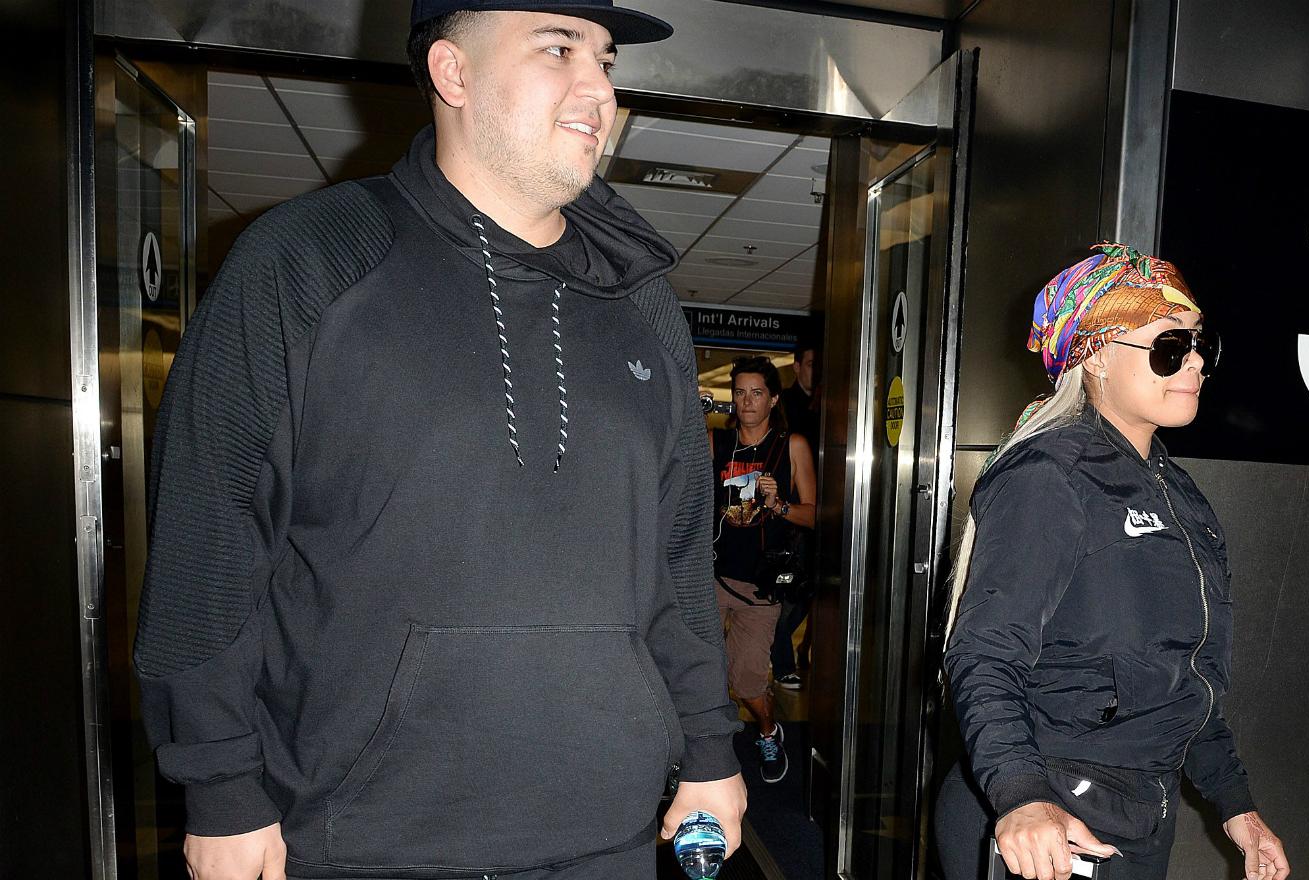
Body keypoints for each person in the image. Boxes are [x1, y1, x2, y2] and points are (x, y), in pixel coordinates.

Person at [133, 2, 746, 878]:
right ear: (452, 73)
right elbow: (211, 539)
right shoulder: (309, 259)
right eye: (559, 49)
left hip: (603, 836)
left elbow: (678, 561)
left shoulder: (643, 302)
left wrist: (710, 747)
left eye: (606, 61)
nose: (598, 89)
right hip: (359, 840)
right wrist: (221, 786)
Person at [937, 244, 1290, 880]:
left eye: (1200, 345)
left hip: (1136, 814)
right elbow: (984, 655)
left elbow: (1184, 679)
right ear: (1096, 355)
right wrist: (1020, 794)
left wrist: (1237, 806)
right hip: (1053, 814)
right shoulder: (1049, 476)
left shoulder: (1178, 493)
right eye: (1168, 347)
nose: (1194, 364)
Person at [709, 356, 817, 783]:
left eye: (757, 393)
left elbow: (814, 515)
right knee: (695, 672)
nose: (747, 401)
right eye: (740, 392)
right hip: (711, 578)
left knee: (748, 681)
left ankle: (769, 732)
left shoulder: (791, 446)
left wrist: (779, 505)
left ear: (773, 399)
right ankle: (699, 752)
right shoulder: (716, 444)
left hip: (760, 587)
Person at [770, 343, 818, 688]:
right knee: (788, 591)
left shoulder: (835, 403)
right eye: (813, 364)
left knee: (810, 590)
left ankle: (788, 650)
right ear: (797, 366)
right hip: (787, 513)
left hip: (824, 512)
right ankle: (783, 659)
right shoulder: (784, 404)